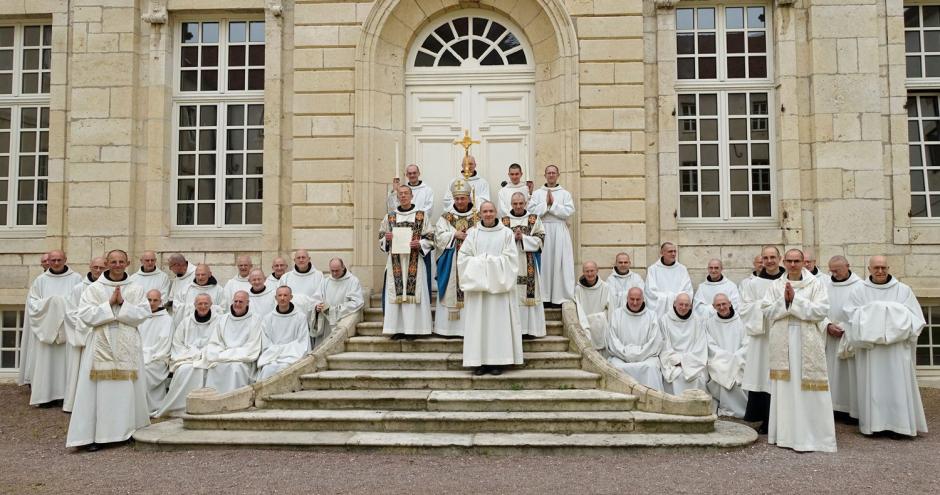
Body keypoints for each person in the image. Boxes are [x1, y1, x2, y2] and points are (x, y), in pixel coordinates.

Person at [66, 249, 151, 451]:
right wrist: (109, 304)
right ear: (107, 263)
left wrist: (123, 304)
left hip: (128, 341)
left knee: (127, 389)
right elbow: (85, 315)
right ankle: (96, 435)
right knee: (98, 390)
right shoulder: (94, 289)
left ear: (127, 263)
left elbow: (143, 314)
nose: (117, 265)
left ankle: (129, 431)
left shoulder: (136, 288)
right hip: (100, 341)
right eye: (113, 261)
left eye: (121, 261)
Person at [843, 256, 928, 437]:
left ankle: (900, 427)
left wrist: (875, 311)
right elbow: (850, 316)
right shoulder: (859, 291)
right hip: (871, 350)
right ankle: (875, 426)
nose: (880, 271)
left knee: (898, 387)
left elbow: (916, 318)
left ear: (888, 268)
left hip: (896, 349)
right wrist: (888, 311)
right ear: (869, 269)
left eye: (883, 267)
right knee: (874, 388)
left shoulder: (903, 290)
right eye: (876, 268)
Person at [762, 248, 835, 453]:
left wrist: (795, 300)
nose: (793, 265)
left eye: (797, 261)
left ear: (804, 262)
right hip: (783, 343)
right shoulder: (775, 286)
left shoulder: (816, 284)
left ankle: (813, 437)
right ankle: (786, 436)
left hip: (807, 341)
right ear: (784, 262)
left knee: (808, 392)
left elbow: (821, 311)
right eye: (789, 261)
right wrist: (785, 301)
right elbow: (767, 311)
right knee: (786, 390)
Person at [457, 201, 522, 375]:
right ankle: (479, 363)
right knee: (478, 325)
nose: (488, 214)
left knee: (498, 326)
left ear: (496, 212)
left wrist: (486, 262)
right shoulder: (473, 234)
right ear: (480, 214)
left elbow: (511, 260)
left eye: (491, 211)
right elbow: (463, 258)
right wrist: (484, 264)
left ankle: (497, 362)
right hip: (478, 291)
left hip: (499, 291)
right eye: (485, 211)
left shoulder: (506, 234)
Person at [27, 249, 82, 407]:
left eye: (59, 260)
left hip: (68, 329)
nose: (56, 263)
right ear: (48, 261)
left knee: (67, 364)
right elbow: (33, 304)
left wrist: (60, 305)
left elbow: (81, 301)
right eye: (53, 260)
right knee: (46, 363)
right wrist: (54, 303)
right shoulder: (40, 280)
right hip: (47, 329)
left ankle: (65, 396)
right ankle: (45, 397)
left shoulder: (76, 279)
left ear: (65, 259)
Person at [739, 246, 785, 434]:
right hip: (761, 337)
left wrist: (777, 308)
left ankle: (784, 420)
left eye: (773, 257)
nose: (769, 261)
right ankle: (764, 418)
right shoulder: (753, 284)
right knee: (761, 376)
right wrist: (766, 307)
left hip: (783, 335)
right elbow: (744, 308)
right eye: (766, 258)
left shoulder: (787, 280)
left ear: (780, 258)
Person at [380, 185, 435, 340]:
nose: (403, 196)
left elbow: (431, 237)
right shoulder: (390, 217)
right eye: (400, 194)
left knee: (414, 294)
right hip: (395, 262)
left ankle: (414, 329)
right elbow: (381, 236)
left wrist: (420, 243)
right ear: (397, 197)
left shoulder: (421, 216)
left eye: (406, 193)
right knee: (396, 295)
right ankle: (397, 329)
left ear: (412, 196)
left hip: (414, 261)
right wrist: (386, 239)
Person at [154, 294, 218, 418]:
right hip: (188, 358)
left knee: (212, 369)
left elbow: (220, 342)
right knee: (184, 370)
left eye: (206, 303)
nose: (203, 306)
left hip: (209, 357)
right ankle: (181, 407)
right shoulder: (186, 322)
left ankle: (209, 406)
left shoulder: (218, 321)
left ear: (211, 305)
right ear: (195, 305)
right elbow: (178, 344)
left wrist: (206, 353)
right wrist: (194, 354)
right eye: (200, 304)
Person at [433, 180, 479, 336]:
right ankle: (447, 330)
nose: (460, 201)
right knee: (450, 291)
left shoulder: (478, 216)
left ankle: (469, 329)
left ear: (468, 198)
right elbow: (438, 237)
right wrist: (454, 235)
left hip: (471, 263)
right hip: (451, 263)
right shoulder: (446, 217)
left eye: (463, 198)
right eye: (457, 198)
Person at [818, 255, 862, 420]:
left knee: (850, 374)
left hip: (849, 336)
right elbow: (818, 309)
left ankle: (851, 409)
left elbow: (863, 312)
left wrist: (845, 326)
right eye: (831, 271)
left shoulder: (860, 286)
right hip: (830, 336)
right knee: (831, 373)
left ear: (847, 266)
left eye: (837, 270)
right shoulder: (824, 286)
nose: (834, 274)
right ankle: (833, 407)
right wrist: (827, 325)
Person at [63, 256, 107, 412]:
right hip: (84, 336)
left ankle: (99, 403)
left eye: (102, 268)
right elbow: (70, 313)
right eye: (96, 267)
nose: (98, 270)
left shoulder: (108, 287)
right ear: (90, 267)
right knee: (79, 369)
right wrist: (89, 326)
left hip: (103, 335)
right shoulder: (79, 288)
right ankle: (77, 403)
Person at [527, 164, 575, 306]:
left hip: (559, 230)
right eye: (549, 173)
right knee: (545, 263)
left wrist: (553, 205)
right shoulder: (537, 193)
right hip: (542, 230)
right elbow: (531, 212)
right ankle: (544, 297)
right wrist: (545, 205)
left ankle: (558, 297)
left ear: (558, 175)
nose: (551, 175)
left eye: (554, 173)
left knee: (559, 263)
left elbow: (569, 211)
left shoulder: (565, 194)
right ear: (545, 175)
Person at [503, 192, 546, 338]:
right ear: (511, 204)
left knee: (529, 297)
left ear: (525, 203)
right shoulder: (504, 221)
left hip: (529, 263)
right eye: (515, 203)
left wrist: (523, 238)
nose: (518, 206)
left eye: (521, 203)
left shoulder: (534, 219)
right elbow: (499, 241)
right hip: (510, 263)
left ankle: (530, 329)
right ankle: (513, 330)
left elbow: (540, 240)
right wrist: (512, 237)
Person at [203, 291, 262, 394]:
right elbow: (215, 342)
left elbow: (252, 346)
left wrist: (226, 355)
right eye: (235, 301)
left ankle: (235, 399)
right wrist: (222, 353)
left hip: (242, 360)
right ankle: (214, 400)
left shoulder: (255, 320)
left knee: (236, 368)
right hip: (223, 357)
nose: (237, 304)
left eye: (241, 302)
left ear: (247, 303)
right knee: (214, 368)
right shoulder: (223, 319)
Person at [606, 287, 664, 391]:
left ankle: (651, 399)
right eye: (632, 299)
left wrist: (638, 354)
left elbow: (654, 341)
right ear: (627, 298)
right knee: (615, 367)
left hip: (646, 357)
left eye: (638, 299)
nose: (635, 302)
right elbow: (612, 340)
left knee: (651, 368)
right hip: (621, 357)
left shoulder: (651, 316)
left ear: (643, 299)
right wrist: (626, 354)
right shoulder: (617, 314)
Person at [704, 294, 749, 418]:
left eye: (724, 304)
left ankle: (743, 411)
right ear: (713, 307)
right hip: (720, 361)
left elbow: (747, 342)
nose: (722, 307)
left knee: (738, 373)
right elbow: (710, 345)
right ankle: (726, 410)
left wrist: (735, 357)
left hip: (740, 360)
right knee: (721, 372)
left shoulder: (742, 320)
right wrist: (727, 358)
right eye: (718, 305)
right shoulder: (709, 323)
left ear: (730, 303)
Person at [257, 286, 311, 381]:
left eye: (285, 295)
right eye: (280, 295)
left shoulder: (300, 317)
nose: (282, 298)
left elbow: (302, 342)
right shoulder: (268, 319)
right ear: (275, 298)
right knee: (267, 369)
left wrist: (280, 350)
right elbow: (266, 343)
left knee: (286, 368)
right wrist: (279, 352)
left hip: (292, 357)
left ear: (291, 297)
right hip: (272, 358)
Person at [659, 293, 709, 395]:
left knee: (698, 377)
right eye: (681, 304)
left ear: (691, 306)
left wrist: (685, 361)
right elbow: (665, 346)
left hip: (693, 363)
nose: (683, 307)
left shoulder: (697, 320)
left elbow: (701, 346)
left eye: (686, 305)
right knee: (676, 376)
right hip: (673, 363)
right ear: (674, 304)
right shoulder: (665, 320)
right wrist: (677, 361)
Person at [311, 258, 364, 349]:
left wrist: (335, 310)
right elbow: (316, 298)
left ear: (343, 267)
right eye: (332, 271)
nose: (334, 273)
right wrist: (317, 306)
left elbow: (357, 302)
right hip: (327, 323)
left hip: (341, 320)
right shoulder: (326, 281)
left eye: (337, 270)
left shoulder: (353, 281)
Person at [16, 253, 49, 386]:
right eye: (44, 261)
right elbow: (33, 303)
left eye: (49, 260)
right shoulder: (39, 281)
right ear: (42, 264)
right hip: (40, 322)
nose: (47, 262)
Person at [139, 289, 173, 416]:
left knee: (144, 371)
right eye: (149, 300)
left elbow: (163, 345)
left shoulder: (167, 320)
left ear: (160, 302)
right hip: (140, 356)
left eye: (155, 300)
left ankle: (148, 408)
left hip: (157, 359)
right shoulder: (140, 317)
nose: (151, 303)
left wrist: (145, 356)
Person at [645, 242, 693, 316]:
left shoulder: (682, 269)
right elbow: (650, 292)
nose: (673, 254)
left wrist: (673, 298)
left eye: (675, 251)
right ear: (662, 253)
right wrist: (667, 298)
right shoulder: (653, 269)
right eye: (670, 251)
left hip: (678, 310)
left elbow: (687, 290)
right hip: (659, 312)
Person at [173, 264, 224, 329]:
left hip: (211, 328)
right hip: (190, 327)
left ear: (210, 274)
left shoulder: (219, 290)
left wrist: (207, 308)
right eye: (197, 275)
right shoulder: (186, 289)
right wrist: (192, 307)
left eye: (203, 274)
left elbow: (223, 309)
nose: (200, 277)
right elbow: (176, 306)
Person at [574, 261, 609, 350]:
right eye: (587, 271)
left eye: (592, 271)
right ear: (583, 272)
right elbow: (578, 309)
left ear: (597, 270)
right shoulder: (578, 289)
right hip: (584, 326)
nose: (590, 274)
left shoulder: (605, 287)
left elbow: (609, 309)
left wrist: (598, 319)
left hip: (600, 327)